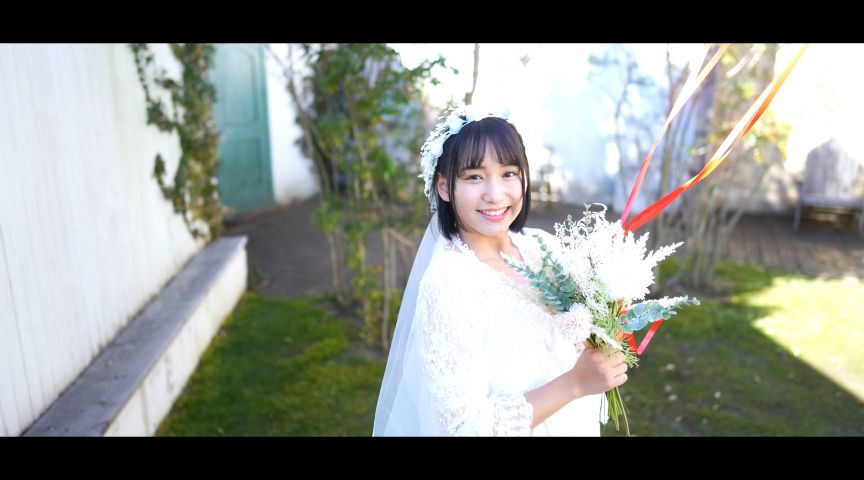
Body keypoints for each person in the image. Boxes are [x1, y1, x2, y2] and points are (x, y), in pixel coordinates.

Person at [373, 105, 628, 436]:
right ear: (444, 187)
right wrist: (575, 384)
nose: (495, 195)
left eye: (508, 173)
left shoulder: (542, 247)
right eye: (474, 177)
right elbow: (464, 427)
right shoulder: (449, 285)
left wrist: (608, 316)